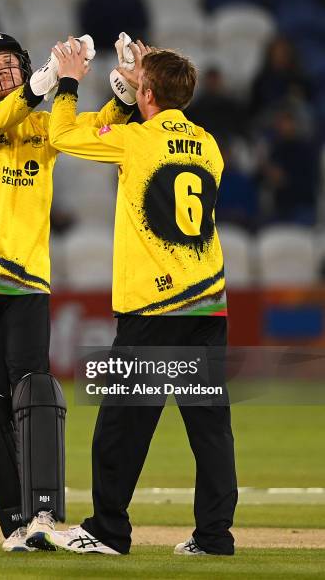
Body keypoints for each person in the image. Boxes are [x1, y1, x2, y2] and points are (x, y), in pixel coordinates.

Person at [0, 31, 136, 553]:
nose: (0, 71)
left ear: (22, 66)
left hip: (27, 281)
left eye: (9, 63)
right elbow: (3, 115)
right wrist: (51, 77)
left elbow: (88, 131)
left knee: (36, 394)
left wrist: (123, 95)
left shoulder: (42, 127)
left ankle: (43, 514)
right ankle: (15, 526)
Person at [43, 43, 238, 555]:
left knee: (122, 426)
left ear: (148, 92)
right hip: (207, 304)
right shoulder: (211, 145)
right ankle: (214, 536)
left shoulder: (137, 142)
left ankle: (107, 530)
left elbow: (62, 135)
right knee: (210, 427)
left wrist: (68, 83)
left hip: (153, 308)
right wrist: (139, 84)